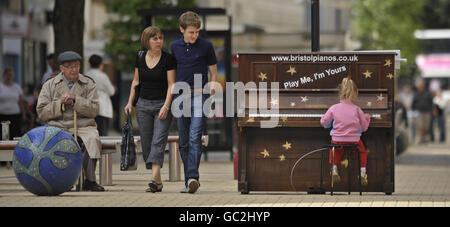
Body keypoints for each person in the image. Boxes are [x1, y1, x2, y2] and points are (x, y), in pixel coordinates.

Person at [36, 51, 104, 191]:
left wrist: (76, 101)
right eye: (69, 67)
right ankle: (64, 180)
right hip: (58, 125)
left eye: (76, 66)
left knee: (92, 139)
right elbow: (41, 112)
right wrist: (59, 104)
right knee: (56, 142)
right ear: (62, 68)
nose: (74, 69)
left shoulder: (88, 83)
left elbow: (95, 109)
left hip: (83, 125)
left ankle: (89, 180)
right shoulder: (50, 85)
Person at [170, 11, 218, 193]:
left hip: (200, 97)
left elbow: (213, 72)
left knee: (194, 137)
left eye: (197, 32)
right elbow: (172, 73)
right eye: (191, 32)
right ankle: (188, 181)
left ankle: (192, 177)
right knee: (183, 141)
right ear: (181, 29)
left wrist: (211, 87)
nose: (194, 35)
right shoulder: (174, 46)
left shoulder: (206, 46)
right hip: (180, 96)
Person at [124, 26, 176, 193]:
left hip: (162, 104)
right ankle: (158, 181)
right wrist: (129, 102)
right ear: (147, 40)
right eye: (155, 38)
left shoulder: (168, 59)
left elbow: (171, 85)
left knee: (158, 141)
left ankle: (154, 178)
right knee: (146, 143)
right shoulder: (140, 57)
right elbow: (136, 81)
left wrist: (166, 106)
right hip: (143, 105)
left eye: (160, 38)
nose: (159, 41)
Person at [320, 77, 370, 186]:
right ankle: (362, 173)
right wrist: (367, 118)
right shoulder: (357, 109)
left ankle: (334, 169)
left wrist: (327, 119)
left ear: (340, 93)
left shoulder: (333, 108)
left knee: (335, 150)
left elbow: (323, 122)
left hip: (337, 139)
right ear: (355, 94)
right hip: (354, 141)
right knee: (362, 151)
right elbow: (365, 127)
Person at [86, 54, 115, 136]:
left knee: (91, 133)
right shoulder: (103, 76)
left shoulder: (85, 75)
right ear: (100, 64)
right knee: (102, 134)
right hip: (102, 108)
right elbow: (111, 91)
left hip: (89, 107)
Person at [0, 68, 26, 140]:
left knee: (14, 134)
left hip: (15, 115)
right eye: (7, 75)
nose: (9, 77)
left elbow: (21, 102)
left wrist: (23, 114)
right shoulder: (1, 86)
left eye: (11, 75)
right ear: (4, 75)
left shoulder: (17, 87)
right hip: (2, 115)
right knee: (2, 135)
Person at [411, 79, 433, 144]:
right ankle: (420, 139)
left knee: (426, 126)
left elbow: (431, 102)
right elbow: (413, 103)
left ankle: (425, 138)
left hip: (427, 112)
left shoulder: (428, 94)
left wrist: (432, 110)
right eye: (419, 86)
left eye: (421, 86)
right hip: (419, 112)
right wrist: (413, 111)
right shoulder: (416, 94)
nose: (420, 87)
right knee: (420, 126)